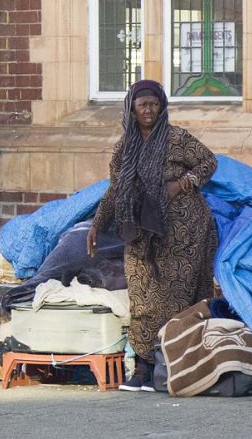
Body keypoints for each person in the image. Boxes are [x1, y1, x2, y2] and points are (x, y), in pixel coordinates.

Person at [86, 79, 218, 392]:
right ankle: (142, 368)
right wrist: (96, 225)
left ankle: (168, 365)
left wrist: (182, 184)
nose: (149, 110)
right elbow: (116, 191)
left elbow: (209, 162)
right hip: (140, 231)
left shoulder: (176, 139)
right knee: (142, 298)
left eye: (155, 104)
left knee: (173, 299)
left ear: (162, 108)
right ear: (131, 108)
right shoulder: (124, 148)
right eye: (143, 104)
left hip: (182, 231)